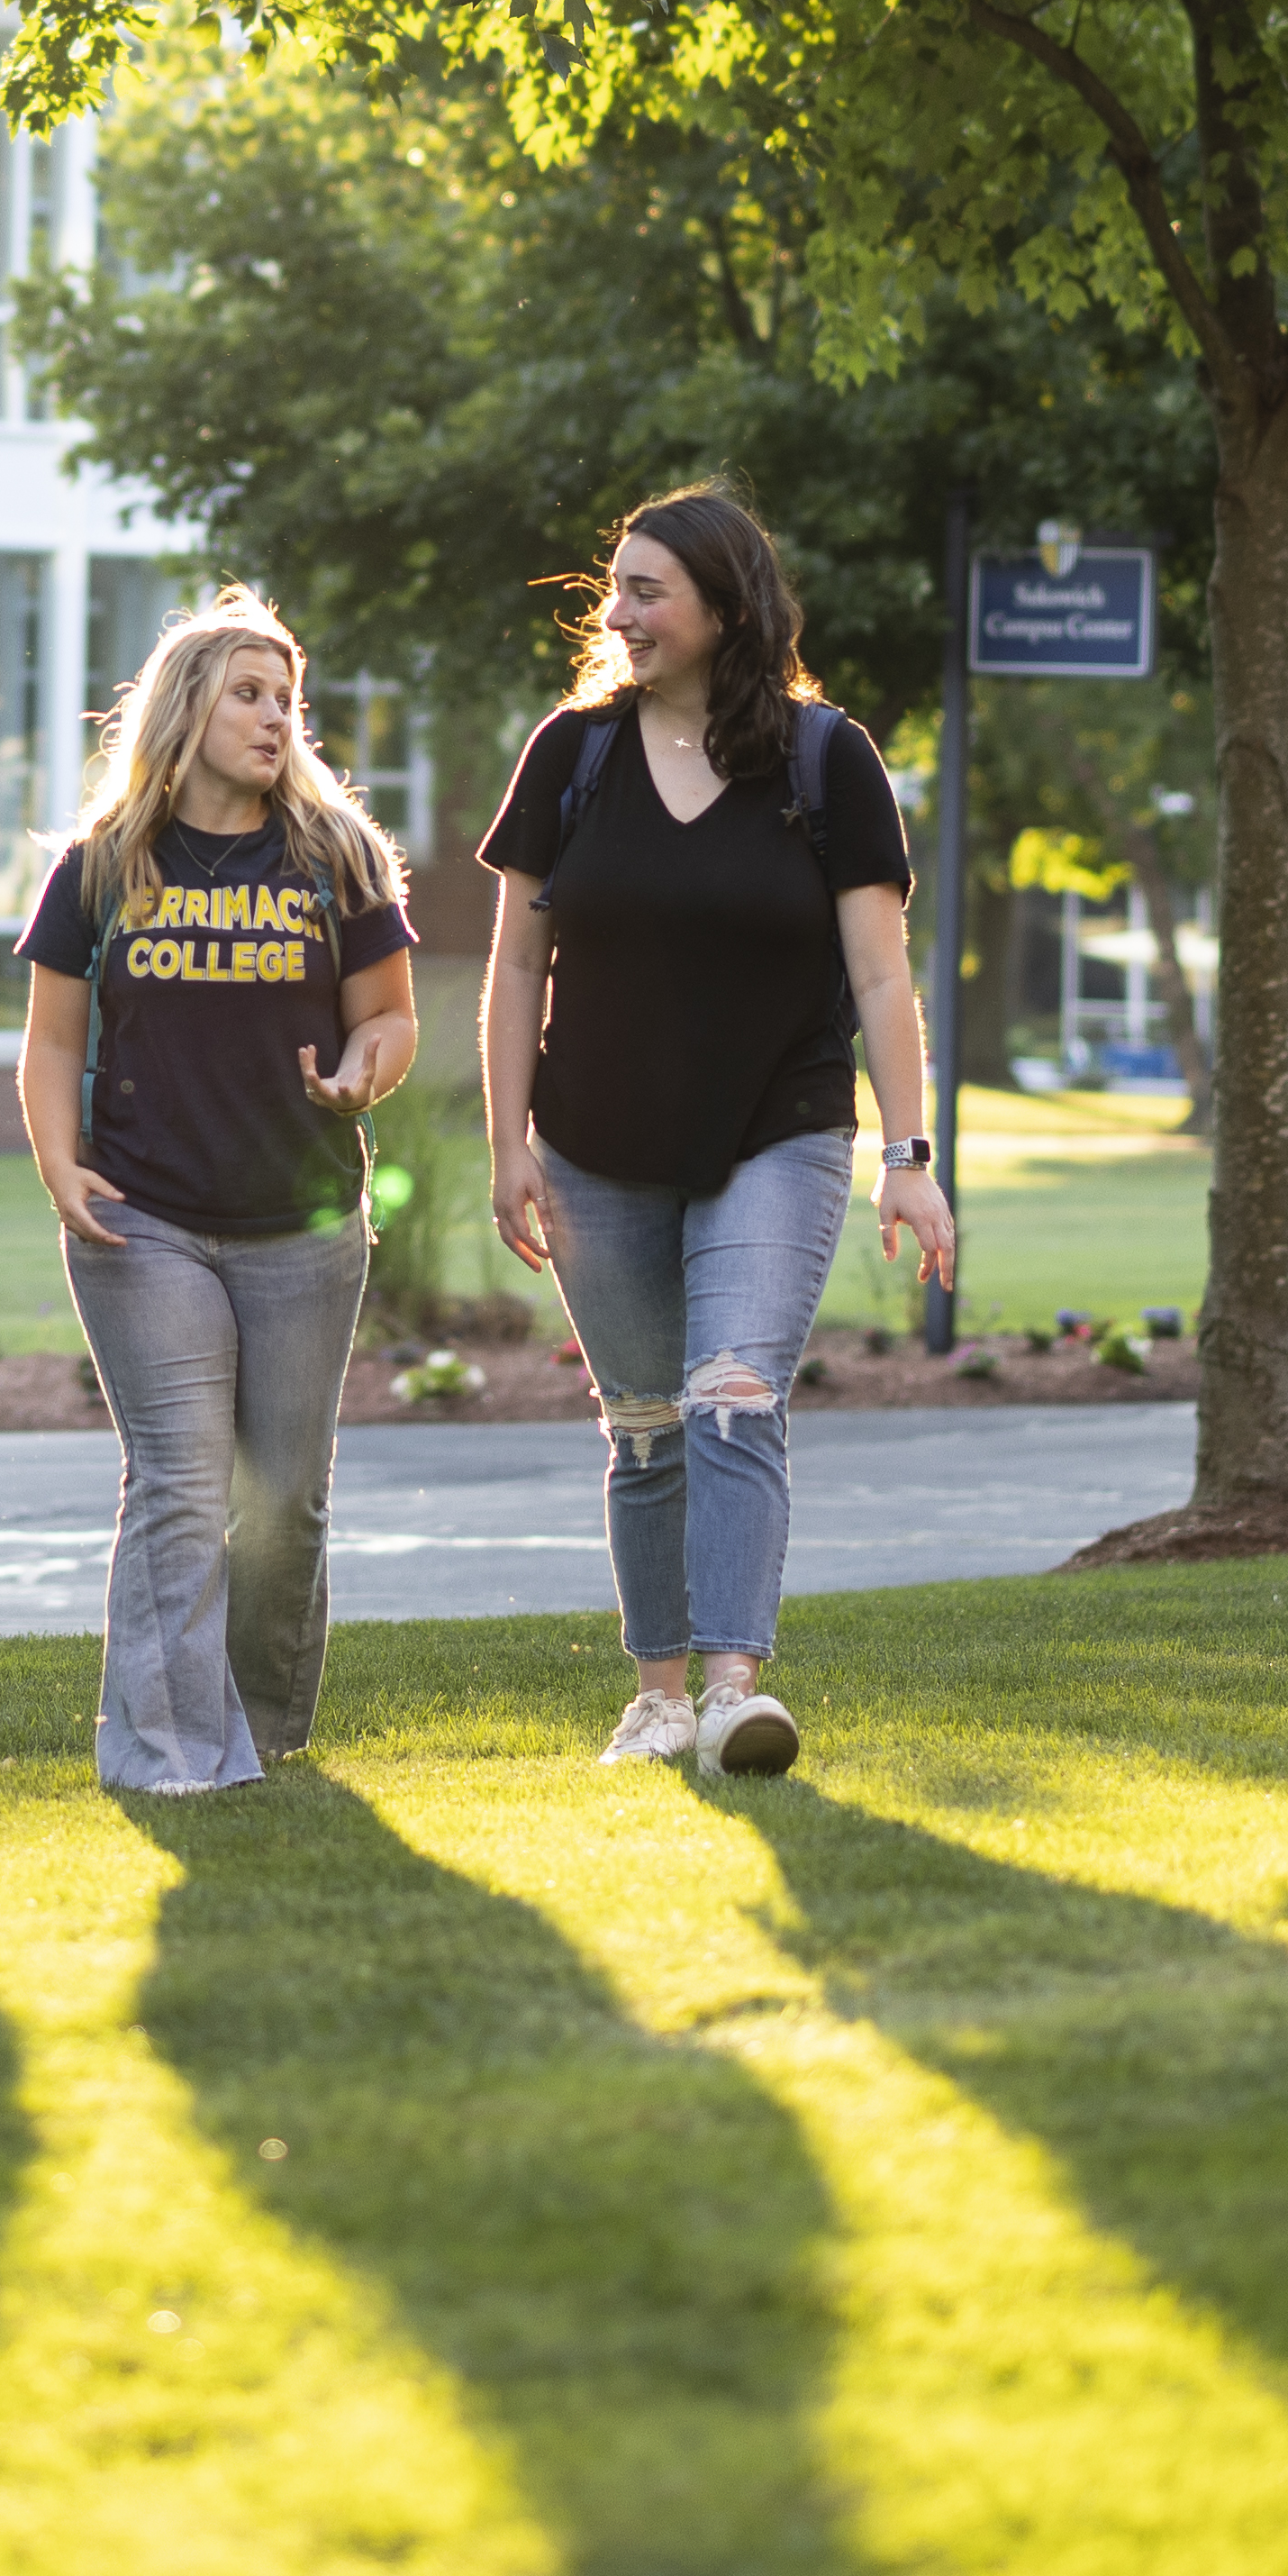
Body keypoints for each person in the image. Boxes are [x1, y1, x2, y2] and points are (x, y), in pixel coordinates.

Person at [476, 487, 963, 1780]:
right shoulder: (571, 757)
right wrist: (507, 1142)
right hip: (591, 1136)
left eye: (649, 591)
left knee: (733, 1396)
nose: (619, 613)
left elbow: (878, 978)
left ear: (727, 606)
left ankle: (738, 1690)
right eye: (615, 589)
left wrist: (908, 1161)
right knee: (643, 1424)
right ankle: (656, 1697)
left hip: (780, 1127)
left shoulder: (823, 760)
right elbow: (516, 966)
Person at [17, 594, 421, 1798]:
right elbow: (48, 1044)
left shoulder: (335, 854)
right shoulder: (102, 865)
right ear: (187, 706)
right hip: (143, 1217)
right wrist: (57, 1162)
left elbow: (390, 1018)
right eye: (249, 692)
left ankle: (261, 1727)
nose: (273, 716)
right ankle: (175, 1753)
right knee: (182, 1487)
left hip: (301, 1219)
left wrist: (363, 1075)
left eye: (285, 698)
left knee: (282, 1503)